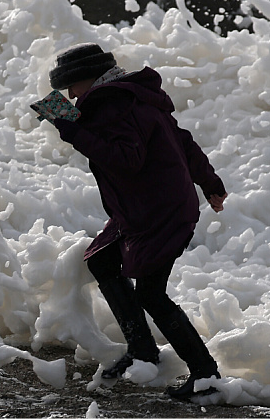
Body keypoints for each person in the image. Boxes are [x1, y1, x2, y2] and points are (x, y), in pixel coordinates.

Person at [47, 42, 227, 400]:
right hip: (144, 207)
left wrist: (69, 128)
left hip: (159, 211)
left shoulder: (114, 104)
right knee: (101, 259)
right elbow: (182, 140)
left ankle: (206, 376)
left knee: (150, 293)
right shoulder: (131, 95)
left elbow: (126, 159)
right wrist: (210, 183)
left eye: (73, 85)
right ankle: (142, 352)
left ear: (91, 79)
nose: (70, 95)